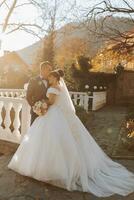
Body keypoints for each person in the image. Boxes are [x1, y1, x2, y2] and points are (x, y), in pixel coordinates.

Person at [8, 69, 134, 197]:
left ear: (56, 79)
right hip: (55, 114)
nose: (49, 79)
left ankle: (51, 170)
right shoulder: (57, 86)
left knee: (51, 140)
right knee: (52, 140)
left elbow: (51, 102)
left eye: (51, 77)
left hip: (52, 114)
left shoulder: (54, 88)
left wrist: (41, 105)